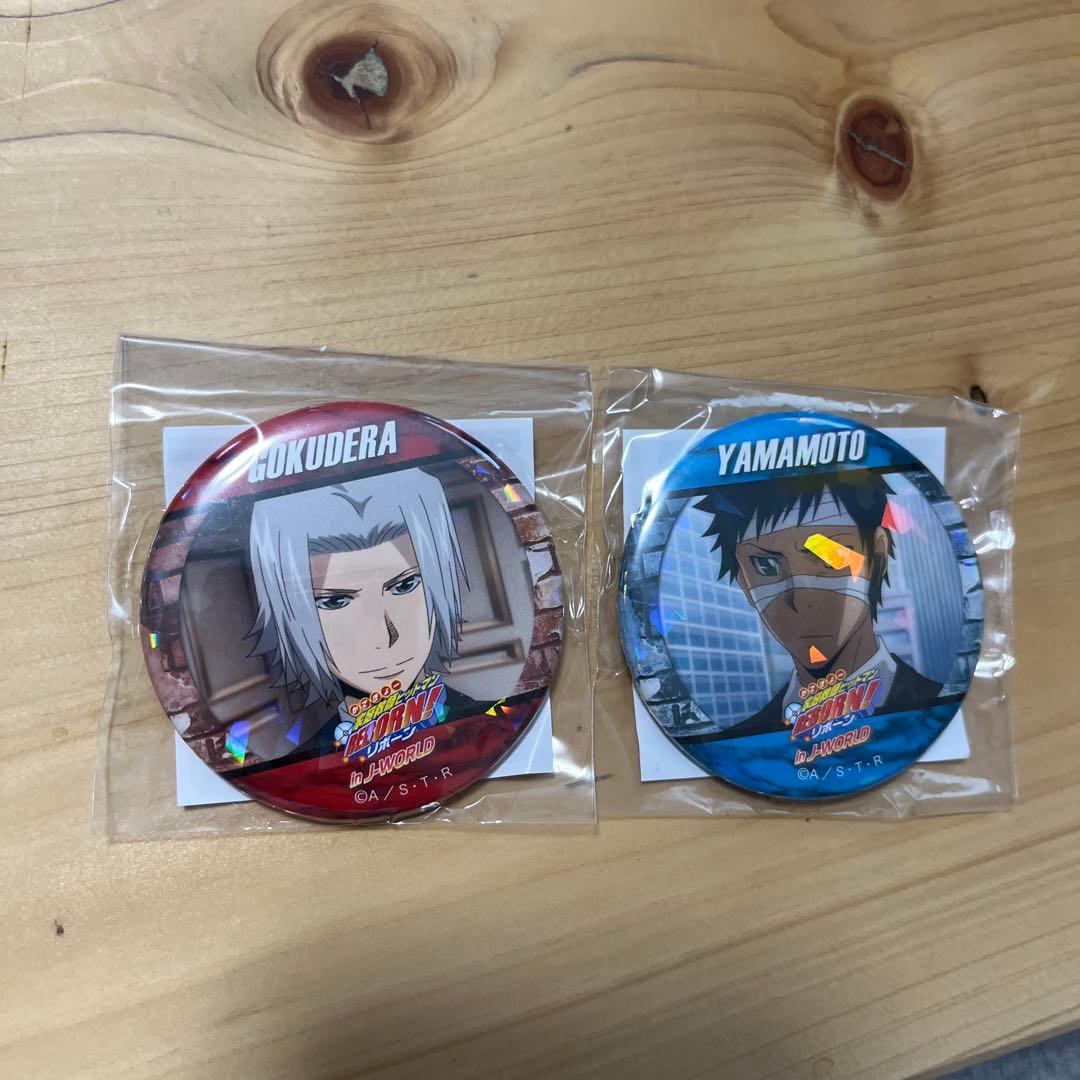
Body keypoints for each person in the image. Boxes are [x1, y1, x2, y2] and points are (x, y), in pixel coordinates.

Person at [690, 469, 941, 739]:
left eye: (828, 557)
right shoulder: (745, 741)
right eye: (766, 566)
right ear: (745, 585)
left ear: (876, 557)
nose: (802, 602)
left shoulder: (938, 703)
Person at [245, 468, 485, 747]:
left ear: (437, 581)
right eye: (335, 602)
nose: (384, 636)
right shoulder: (303, 767)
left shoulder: (491, 728)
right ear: (293, 614)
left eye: (405, 585)